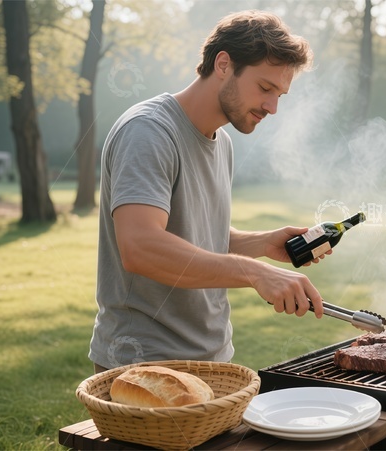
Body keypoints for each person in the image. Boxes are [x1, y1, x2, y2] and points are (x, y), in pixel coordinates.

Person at [90, 11, 324, 373]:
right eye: (265, 88)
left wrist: (262, 243)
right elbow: (141, 247)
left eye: (280, 94)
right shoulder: (148, 131)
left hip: (213, 360)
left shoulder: (222, 143)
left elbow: (195, 235)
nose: (272, 107)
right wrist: (255, 274)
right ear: (224, 64)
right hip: (145, 365)